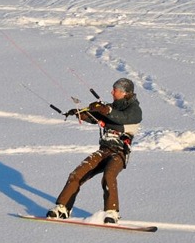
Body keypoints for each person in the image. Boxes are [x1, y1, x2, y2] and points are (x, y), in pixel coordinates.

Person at [47, 77, 142, 224]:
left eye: (115, 90)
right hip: (103, 151)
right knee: (77, 174)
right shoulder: (111, 107)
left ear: (125, 93)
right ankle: (63, 208)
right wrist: (80, 113)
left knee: (109, 175)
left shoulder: (134, 110)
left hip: (119, 153)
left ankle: (112, 212)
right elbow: (94, 117)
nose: (111, 92)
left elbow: (122, 118)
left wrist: (105, 109)